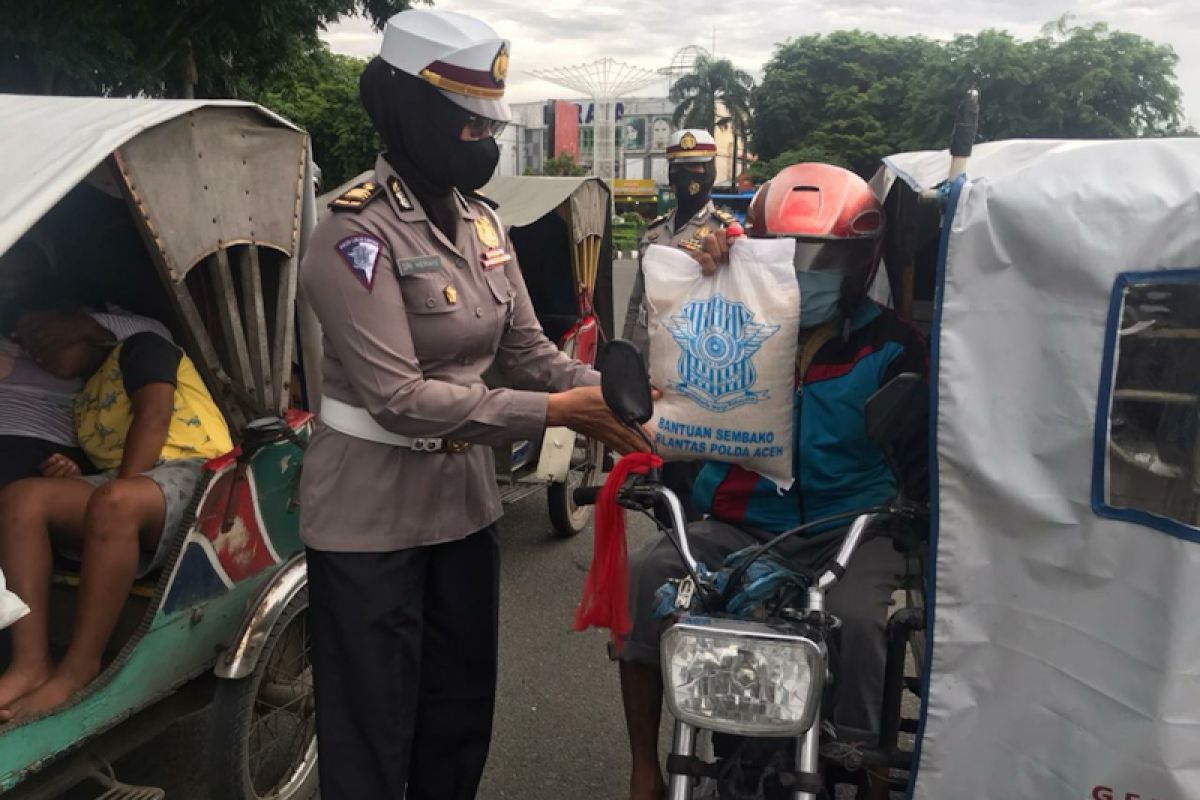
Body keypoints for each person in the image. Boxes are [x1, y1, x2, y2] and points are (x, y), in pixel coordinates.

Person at [297, 10, 645, 800]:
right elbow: (396, 398)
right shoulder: (352, 233)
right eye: (464, 121)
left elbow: (528, 353)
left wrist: (618, 401)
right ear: (408, 109)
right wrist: (558, 416)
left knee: (457, 722)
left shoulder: (486, 223)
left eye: (486, 122)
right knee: (374, 735)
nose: (481, 141)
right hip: (369, 517)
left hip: (465, 508)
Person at [617, 163, 929, 800]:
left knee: (859, 623)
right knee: (649, 577)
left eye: (827, 257)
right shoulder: (727, 319)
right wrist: (701, 269)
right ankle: (645, 764)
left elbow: (921, 448)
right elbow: (665, 373)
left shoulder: (892, 345)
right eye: (793, 252)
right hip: (738, 522)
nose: (808, 269)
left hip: (848, 532)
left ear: (860, 261)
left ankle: (864, 768)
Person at [0, 309, 231, 722]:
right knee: (23, 499)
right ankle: (30, 663)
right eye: (31, 344)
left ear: (82, 328)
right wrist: (75, 478)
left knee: (114, 501)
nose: (40, 350)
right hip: (128, 488)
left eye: (46, 335)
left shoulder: (141, 348)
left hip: (198, 472)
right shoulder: (82, 398)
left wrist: (111, 489)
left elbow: (154, 415)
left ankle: (78, 670)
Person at [623, 128, 737, 522]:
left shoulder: (725, 232)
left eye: (697, 168)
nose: (689, 178)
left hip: (698, 363)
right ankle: (670, 541)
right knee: (660, 460)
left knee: (694, 468)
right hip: (655, 363)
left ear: (711, 173)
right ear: (669, 175)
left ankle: (696, 543)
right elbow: (638, 301)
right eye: (679, 168)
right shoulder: (654, 231)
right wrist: (628, 356)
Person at [0, 240, 173, 489]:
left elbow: (158, 335)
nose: (12, 285)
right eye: (4, 273)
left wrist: (84, 326)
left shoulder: (89, 317)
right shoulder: (13, 335)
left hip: (48, 448)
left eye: (25, 274)